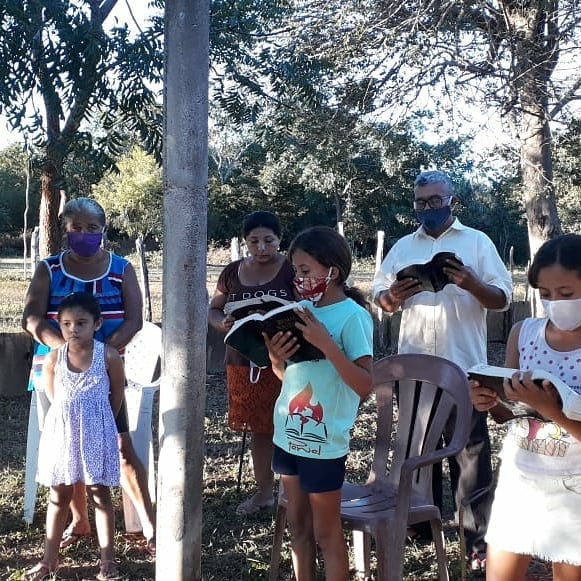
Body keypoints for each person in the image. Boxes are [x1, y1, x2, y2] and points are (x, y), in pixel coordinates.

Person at [372, 170, 513, 571]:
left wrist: (470, 283)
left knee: (469, 454)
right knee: (417, 450)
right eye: (421, 203)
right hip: (414, 367)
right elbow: (380, 296)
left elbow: (502, 298)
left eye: (436, 200)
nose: (428, 209)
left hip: (463, 366)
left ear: (454, 200)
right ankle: (420, 524)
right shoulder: (402, 246)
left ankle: (477, 542)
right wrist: (390, 297)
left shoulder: (477, 242)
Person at [22, 197, 156, 555]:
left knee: (122, 446)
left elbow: (134, 318)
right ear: (65, 230)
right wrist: (59, 348)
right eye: (76, 227)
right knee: (69, 449)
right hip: (59, 375)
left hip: (105, 376)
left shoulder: (121, 268)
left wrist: (103, 352)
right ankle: (80, 521)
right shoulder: (48, 269)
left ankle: (149, 524)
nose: (84, 234)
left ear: (103, 231)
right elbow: (32, 317)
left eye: (92, 228)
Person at [265, 226, 373, 580]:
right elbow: (290, 378)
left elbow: (364, 385)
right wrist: (275, 358)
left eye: (306, 271)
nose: (299, 278)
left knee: (327, 533)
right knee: (298, 526)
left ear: (333, 272)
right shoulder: (301, 311)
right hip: (287, 434)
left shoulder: (353, 317)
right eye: (296, 270)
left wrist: (327, 344)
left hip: (323, 442)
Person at [471, 233, 581, 581]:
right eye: (545, 295)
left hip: (573, 489)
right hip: (520, 479)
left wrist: (552, 410)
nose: (555, 303)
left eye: (566, 294)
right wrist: (489, 403)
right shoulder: (524, 333)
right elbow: (510, 414)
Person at [25, 292, 125, 581]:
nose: (73, 329)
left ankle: (107, 559)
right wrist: (70, 418)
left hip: (98, 432)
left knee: (100, 494)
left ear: (96, 323)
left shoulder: (108, 355)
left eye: (81, 323)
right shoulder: (54, 357)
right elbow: (53, 394)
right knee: (59, 495)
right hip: (63, 433)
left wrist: (100, 420)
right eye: (66, 323)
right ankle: (49, 559)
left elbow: (116, 393)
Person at [208, 211, 296, 515]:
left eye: (268, 241)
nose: (261, 248)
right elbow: (214, 309)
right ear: (244, 242)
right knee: (260, 428)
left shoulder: (292, 269)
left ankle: (293, 492)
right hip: (244, 361)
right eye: (253, 241)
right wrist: (222, 322)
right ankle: (263, 493)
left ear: (280, 239)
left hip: (288, 358)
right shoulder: (231, 273)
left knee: (292, 423)